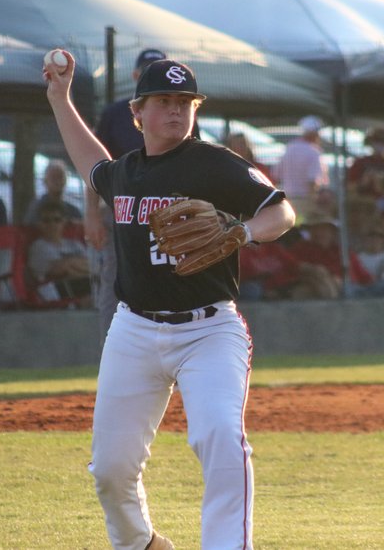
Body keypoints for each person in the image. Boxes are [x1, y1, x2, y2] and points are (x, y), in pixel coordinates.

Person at [44, 50, 295, 550]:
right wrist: (59, 97)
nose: (177, 110)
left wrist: (242, 232)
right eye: (163, 100)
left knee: (221, 437)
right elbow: (92, 162)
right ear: (137, 113)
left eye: (186, 101)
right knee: (111, 469)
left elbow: (283, 213)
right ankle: (141, 543)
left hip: (209, 331)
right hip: (133, 329)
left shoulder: (215, 163)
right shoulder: (127, 172)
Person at [84, 48, 168, 342]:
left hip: (164, 209)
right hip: (119, 208)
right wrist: (91, 213)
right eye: (147, 70)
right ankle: (113, 347)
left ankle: (166, 347)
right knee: (115, 279)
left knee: (167, 277)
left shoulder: (178, 111)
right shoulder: (116, 114)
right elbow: (95, 166)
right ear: (135, 76)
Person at [25, 199, 91, 308]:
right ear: (39, 224)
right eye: (46, 220)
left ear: (64, 222)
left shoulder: (74, 244)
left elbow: (93, 265)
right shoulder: (38, 247)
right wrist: (78, 266)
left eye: (57, 220)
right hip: (54, 289)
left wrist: (70, 264)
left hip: (82, 284)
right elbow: (57, 270)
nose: (52, 224)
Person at [275, 115, 328, 222]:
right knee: (305, 228)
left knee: (292, 228)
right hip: (305, 200)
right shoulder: (313, 151)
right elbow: (313, 181)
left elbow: (277, 175)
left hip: (287, 200)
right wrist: (314, 201)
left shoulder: (289, 148)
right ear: (315, 133)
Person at [346, 126, 384, 200]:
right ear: (371, 142)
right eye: (377, 140)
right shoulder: (361, 162)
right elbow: (349, 187)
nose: (380, 144)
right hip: (366, 203)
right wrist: (362, 183)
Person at [23, 159, 82, 225]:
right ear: (45, 181)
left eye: (60, 177)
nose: (57, 181)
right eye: (53, 177)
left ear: (66, 180)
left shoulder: (74, 211)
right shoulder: (36, 208)